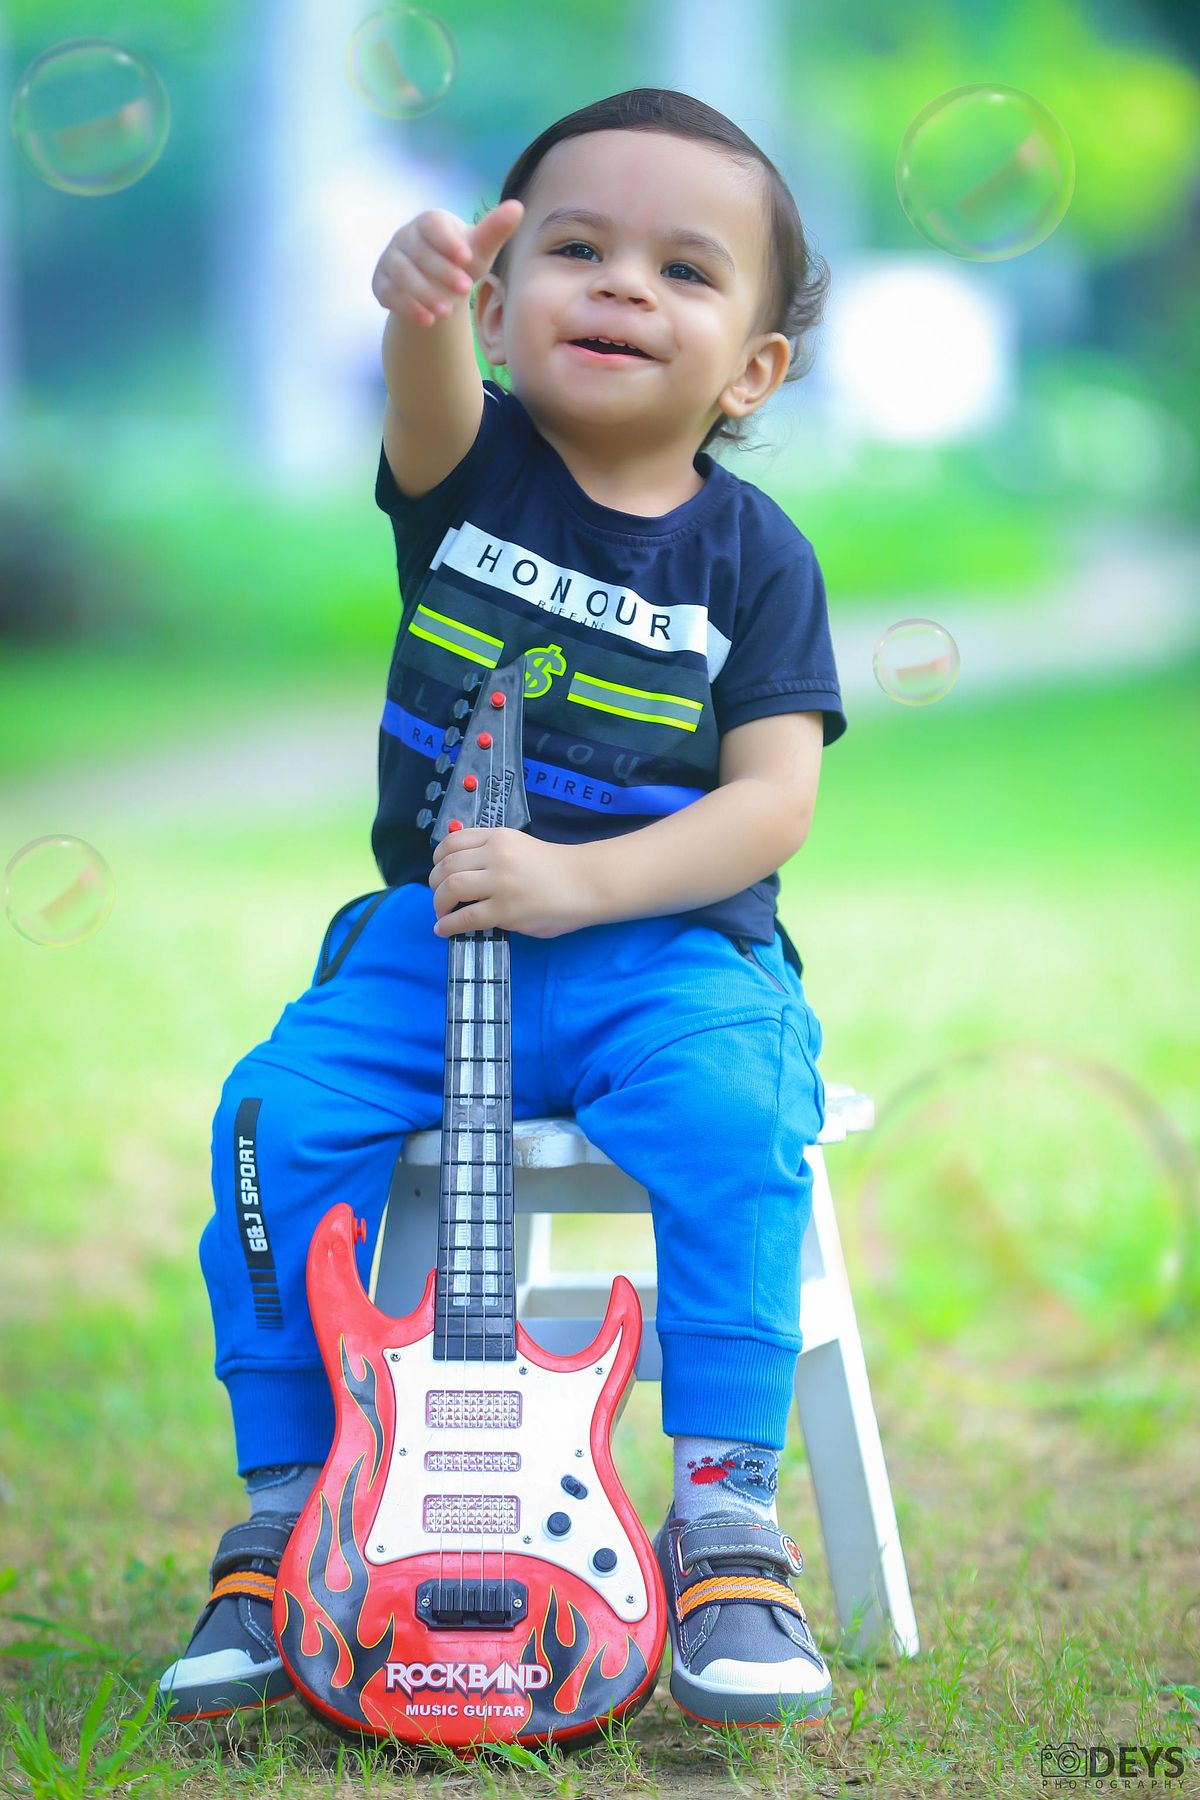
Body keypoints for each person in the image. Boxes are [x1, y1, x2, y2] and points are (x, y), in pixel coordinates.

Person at [158, 86, 846, 1732]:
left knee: (738, 1106)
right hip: (438, 949)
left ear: (753, 367)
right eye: (578, 249)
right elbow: (424, 393)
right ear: (502, 292)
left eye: (685, 271)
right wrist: (414, 312)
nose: (619, 286)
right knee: (274, 1118)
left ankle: (730, 1512)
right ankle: (293, 1504)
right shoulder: (475, 470)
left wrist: (586, 882)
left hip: (661, 956)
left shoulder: (756, 561)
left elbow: (772, 804)